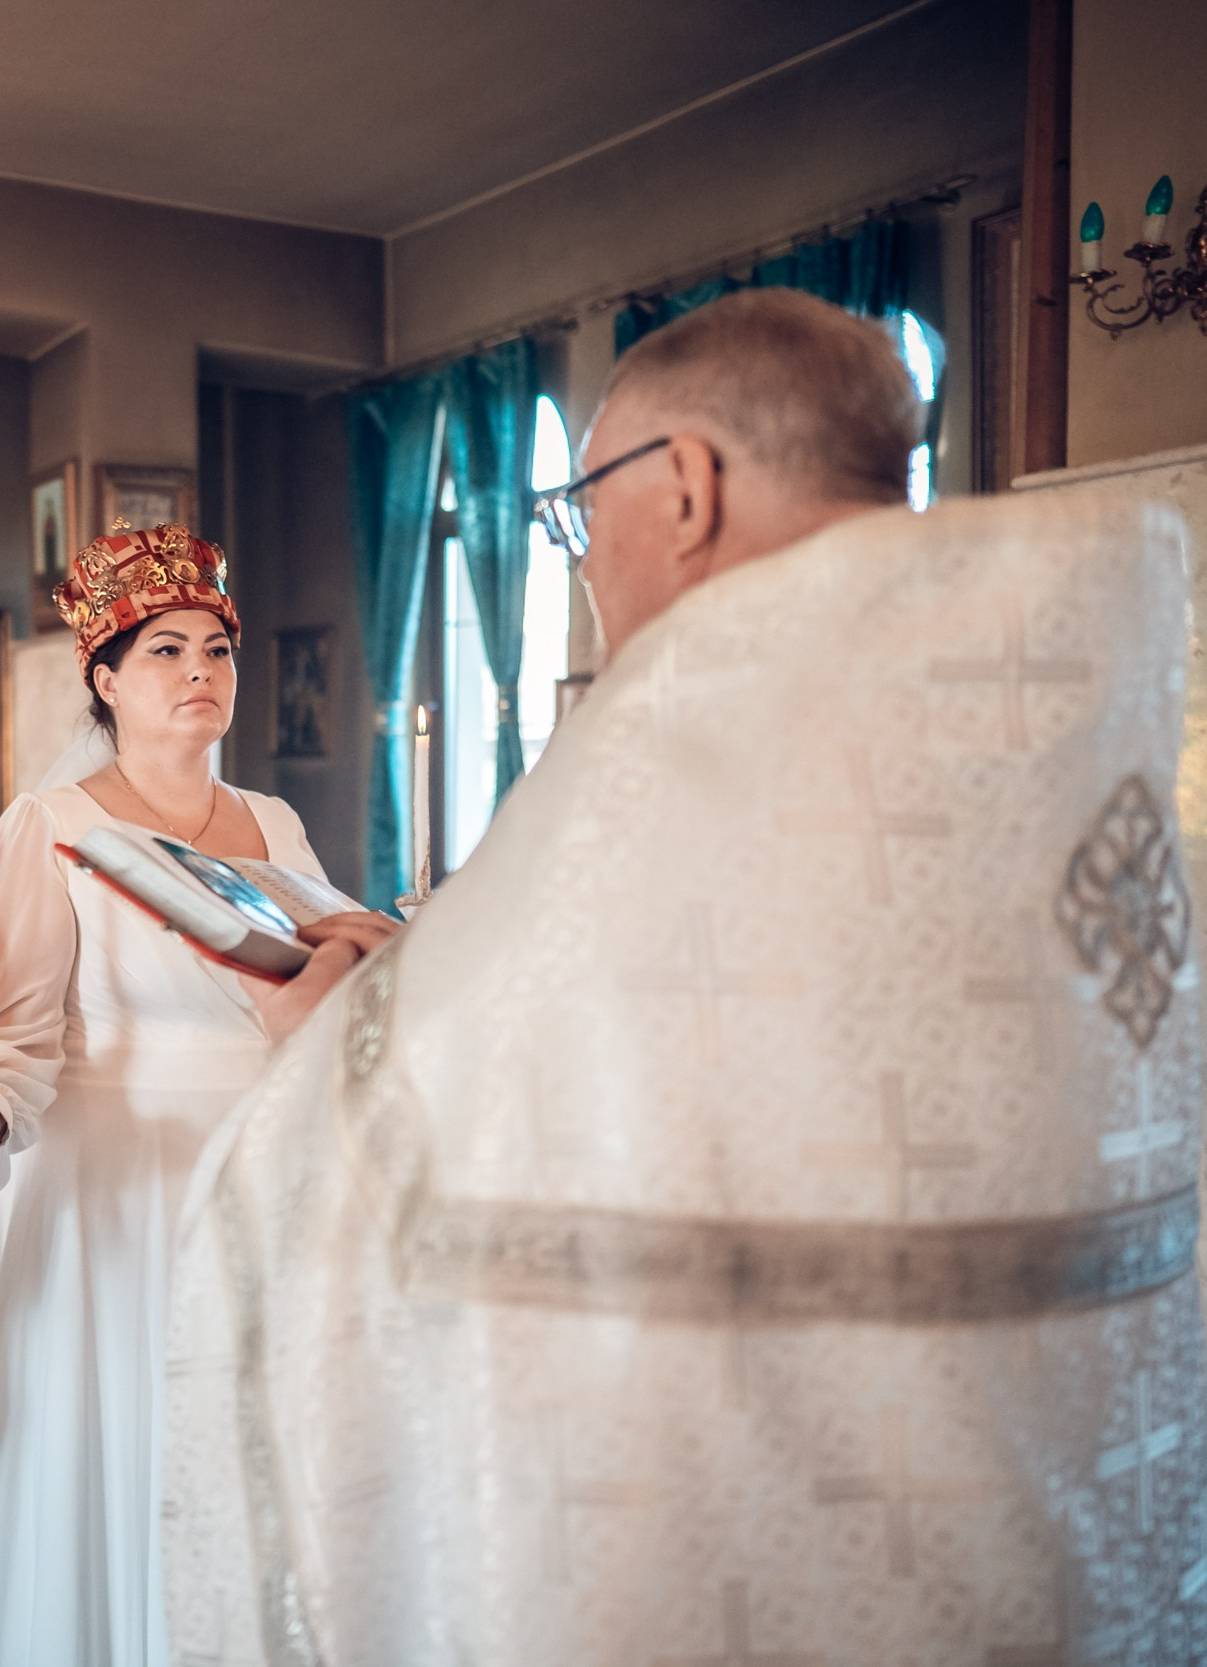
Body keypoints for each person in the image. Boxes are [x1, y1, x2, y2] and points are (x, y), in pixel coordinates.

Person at [164, 289, 1207, 1664]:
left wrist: (337, 1037)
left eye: (581, 508)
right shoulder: (1088, 706)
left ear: (687, 488)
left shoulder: (690, 735)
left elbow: (354, 1173)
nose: (587, 559)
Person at [0, 522, 394, 1667]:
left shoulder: (274, 821)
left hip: (258, 1170)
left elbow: (317, 990)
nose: (200, 671)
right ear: (102, 676)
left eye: (216, 648)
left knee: (243, 1439)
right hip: (110, 1178)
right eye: (164, 650)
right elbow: (10, 1032)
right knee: (123, 1434)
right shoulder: (51, 827)